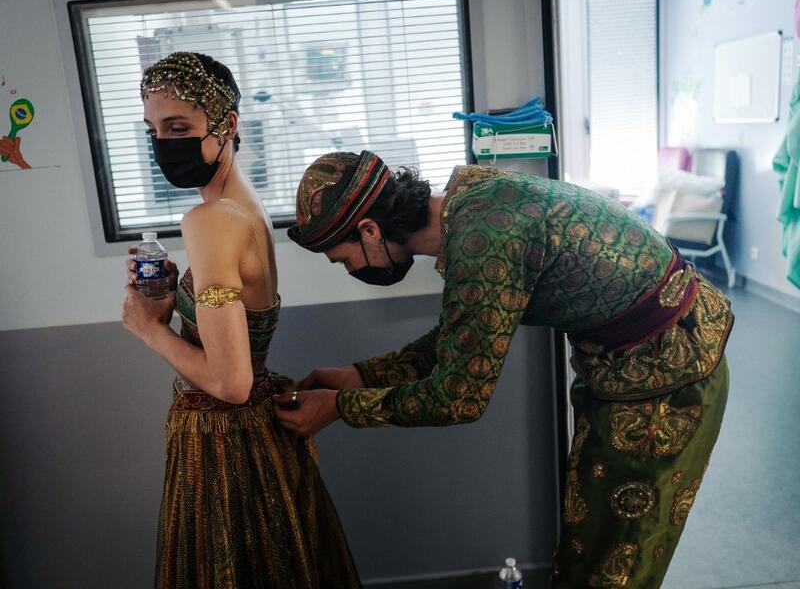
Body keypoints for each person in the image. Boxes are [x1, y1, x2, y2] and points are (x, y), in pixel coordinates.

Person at [274, 150, 733, 587]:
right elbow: (466, 335)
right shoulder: (472, 199)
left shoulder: (483, 241)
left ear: (370, 230)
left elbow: (459, 397)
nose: (349, 270)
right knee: (586, 544)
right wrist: (362, 375)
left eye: (343, 258)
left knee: (611, 563)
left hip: (666, 375)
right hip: (629, 364)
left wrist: (340, 407)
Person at [121, 52, 360, 589]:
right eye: (152, 130)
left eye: (178, 127)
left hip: (223, 440)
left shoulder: (209, 221)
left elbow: (231, 382)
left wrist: (148, 327)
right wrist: (179, 297)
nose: (163, 143)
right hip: (256, 435)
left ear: (226, 124)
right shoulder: (244, 209)